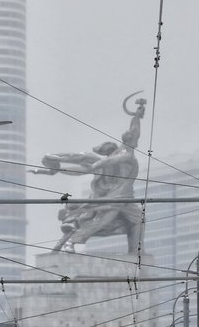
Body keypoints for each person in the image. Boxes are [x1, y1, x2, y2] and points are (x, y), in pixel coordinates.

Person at [34, 95, 146, 252]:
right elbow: (91, 165)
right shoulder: (124, 154)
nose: (134, 138)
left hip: (123, 199)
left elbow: (135, 130)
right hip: (116, 199)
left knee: (138, 219)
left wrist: (136, 116)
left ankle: (136, 252)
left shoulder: (124, 153)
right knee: (102, 220)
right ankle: (72, 241)